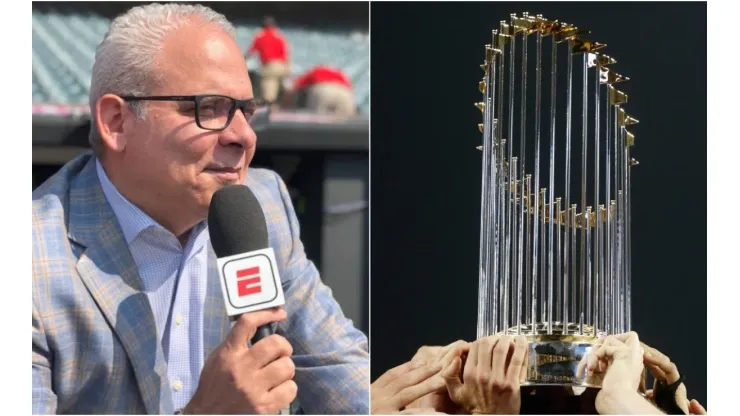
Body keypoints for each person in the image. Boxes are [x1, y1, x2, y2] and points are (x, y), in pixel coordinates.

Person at [31, 4, 368, 414]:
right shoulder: (29, 259)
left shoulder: (262, 205)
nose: (243, 136)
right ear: (117, 121)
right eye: (209, 108)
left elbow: (340, 374)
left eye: (246, 110)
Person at [246, 16, 290, 103]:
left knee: (269, 90)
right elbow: (286, 52)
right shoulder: (280, 35)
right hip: (283, 65)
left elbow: (251, 52)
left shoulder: (261, 35)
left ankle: (270, 109)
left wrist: (242, 60)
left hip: (270, 66)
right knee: (281, 86)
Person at [287, 65, 356, 116]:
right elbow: (350, 89)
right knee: (346, 122)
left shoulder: (315, 71)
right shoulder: (341, 74)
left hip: (323, 90)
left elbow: (295, 86)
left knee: (318, 120)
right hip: (344, 93)